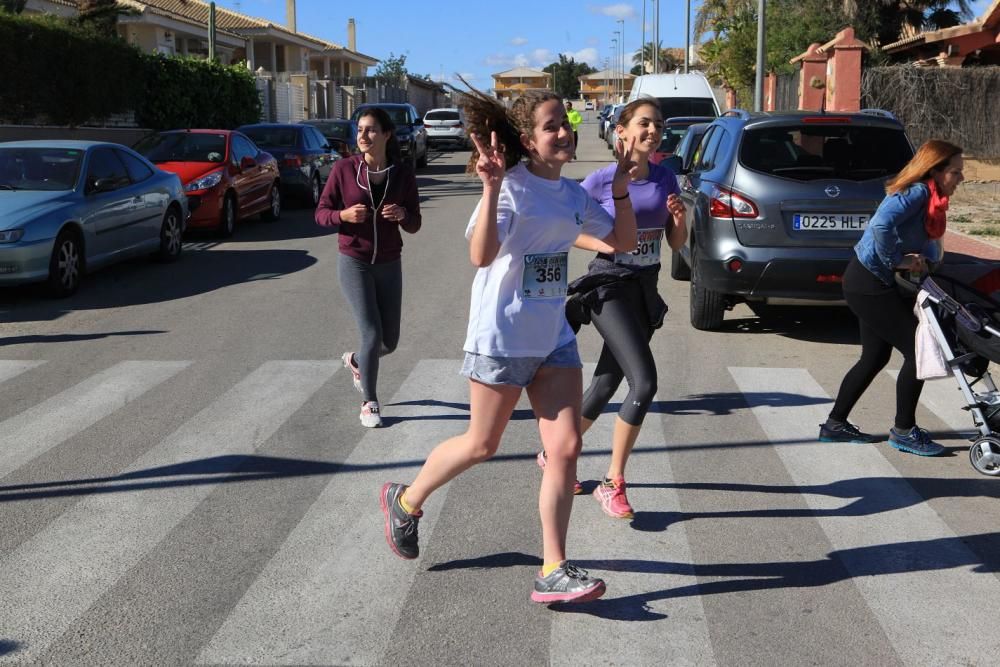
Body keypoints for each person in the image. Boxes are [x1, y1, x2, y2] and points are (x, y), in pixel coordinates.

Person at [380, 87, 638, 604]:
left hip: (553, 338)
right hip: (501, 337)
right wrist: (492, 186)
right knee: (482, 444)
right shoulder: (512, 187)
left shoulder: (571, 196)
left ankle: (554, 567)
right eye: (551, 127)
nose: (564, 132)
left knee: (566, 448)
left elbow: (623, 242)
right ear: (527, 139)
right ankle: (405, 501)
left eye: (564, 122)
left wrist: (623, 186)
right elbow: (481, 256)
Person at [537, 97, 687, 519]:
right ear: (621, 130)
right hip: (607, 285)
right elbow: (567, 229)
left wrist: (680, 219)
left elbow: (675, 244)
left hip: (644, 288)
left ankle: (553, 453)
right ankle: (613, 482)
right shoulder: (602, 180)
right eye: (644, 123)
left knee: (606, 383)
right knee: (644, 383)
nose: (652, 130)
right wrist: (606, 242)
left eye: (658, 124)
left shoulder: (665, 178)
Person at [821, 139, 964, 456]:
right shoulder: (916, 193)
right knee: (918, 350)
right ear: (936, 171)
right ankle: (903, 431)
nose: (961, 179)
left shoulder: (930, 198)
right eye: (956, 172)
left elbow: (923, 238)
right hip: (868, 281)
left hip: (868, 280)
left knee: (874, 357)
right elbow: (882, 224)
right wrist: (896, 259)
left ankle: (835, 425)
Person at [315, 107, 422, 428]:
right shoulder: (344, 169)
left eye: (371, 130)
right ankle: (369, 402)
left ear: (387, 135)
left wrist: (403, 215)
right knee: (372, 333)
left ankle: (358, 361)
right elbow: (321, 213)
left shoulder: (402, 174)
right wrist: (342, 216)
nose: (363, 136)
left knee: (389, 342)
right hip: (354, 260)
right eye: (360, 129)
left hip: (390, 261)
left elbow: (415, 223)